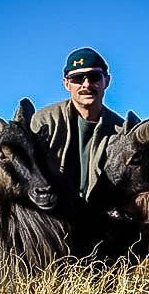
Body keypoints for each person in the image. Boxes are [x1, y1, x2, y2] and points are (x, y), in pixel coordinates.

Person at [30, 47, 124, 206]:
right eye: (78, 78)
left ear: (106, 81)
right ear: (66, 83)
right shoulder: (44, 120)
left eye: (94, 77)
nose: (86, 85)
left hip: (102, 213)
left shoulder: (122, 130)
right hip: (52, 213)